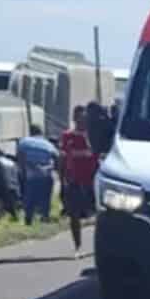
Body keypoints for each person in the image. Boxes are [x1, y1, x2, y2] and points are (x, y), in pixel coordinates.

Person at [58, 107, 100, 251]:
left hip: (93, 181)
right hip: (74, 180)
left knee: (100, 215)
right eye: (78, 118)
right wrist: (62, 181)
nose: (81, 121)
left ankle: (100, 245)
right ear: (74, 119)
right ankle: (78, 246)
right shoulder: (67, 136)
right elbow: (62, 159)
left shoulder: (94, 136)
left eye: (84, 119)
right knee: (74, 215)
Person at [15, 123, 58, 226]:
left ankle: (28, 220)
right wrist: (53, 168)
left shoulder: (24, 141)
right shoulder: (47, 143)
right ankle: (45, 218)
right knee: (45, 199)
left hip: (31, 176)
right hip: (46, 175)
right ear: (41, 132)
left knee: (29, 199)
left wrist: (22, 171)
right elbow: (57, 157)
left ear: (30, 131)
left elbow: (20, 157)